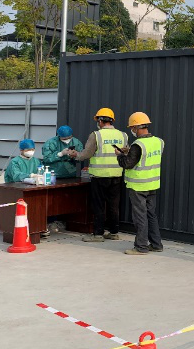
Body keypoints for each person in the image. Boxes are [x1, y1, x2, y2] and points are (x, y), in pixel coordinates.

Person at [68, 108, 129, 242]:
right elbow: (125, 153)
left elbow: (86, 154)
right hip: (117, 174)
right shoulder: (123, 135)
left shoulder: (96, 135)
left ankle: (98, 234)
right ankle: (114, 232)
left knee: (99, 205)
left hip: (100, 176)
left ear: (100, 121)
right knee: (114, 205)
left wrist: (75, 154)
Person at [118, 112, 164, 256]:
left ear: (136, 127)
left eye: (132, 128)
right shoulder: (159, 141)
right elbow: (145, 157)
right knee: (151, 215)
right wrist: (130, 151)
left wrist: (120, 155)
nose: (132, 130)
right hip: (152, 184)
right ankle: (156, 244)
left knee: (140, 217)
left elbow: (128, 164)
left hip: (138, 186)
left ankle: (141, 247)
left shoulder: (138, 144)